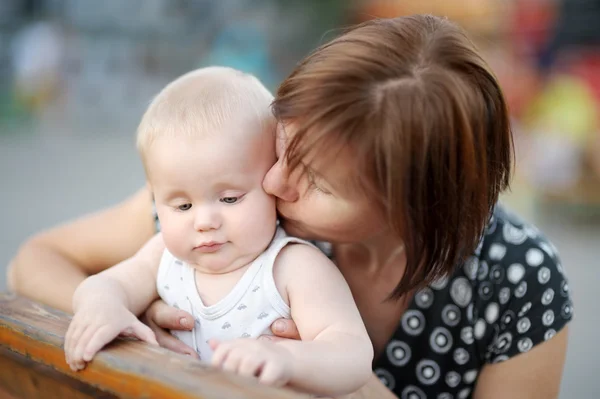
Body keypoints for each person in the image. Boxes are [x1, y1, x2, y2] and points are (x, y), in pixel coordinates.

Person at [8, 15, 572, 398]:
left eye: (317, 180)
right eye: (285, 142)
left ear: (412, 208)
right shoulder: (228, 212)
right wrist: (134, 322)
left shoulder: (516, 280)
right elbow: (36, 260)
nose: (275, 181)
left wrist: (348, 385)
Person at [63, 66, 373, 397]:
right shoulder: (163, 256)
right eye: (182, 206)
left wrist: (287, 357)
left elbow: (352, 352)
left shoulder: (292, 266)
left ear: (270, 181)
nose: (204, 221)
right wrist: (102, 307)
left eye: (229, 198)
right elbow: (104, 285)